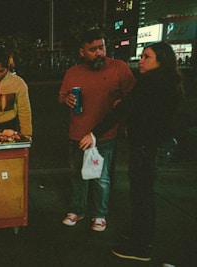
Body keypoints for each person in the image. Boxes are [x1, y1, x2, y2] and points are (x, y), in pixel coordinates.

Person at [80, 42, 184, 261]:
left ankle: (142, 246)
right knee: (141, 193)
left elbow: (126, 110)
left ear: (160, 61)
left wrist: (94, 133)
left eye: (147, 57)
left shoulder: (151, 83)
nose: (141, 61)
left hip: (150, 146)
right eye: (142, 56)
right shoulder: (165, 82)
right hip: (154, 144)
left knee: (142, 195)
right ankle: (138, 234)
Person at [58, 28, 136, 232]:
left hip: (105, 134)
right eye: (92, 49)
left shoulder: (119, 68)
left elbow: (133, 96)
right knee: (78, 175)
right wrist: (67, 99)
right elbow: (61, 96)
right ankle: (78, 210)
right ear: (81, 52)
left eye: (101, 47)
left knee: (101, 177)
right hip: (77, 133)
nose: (99, 53)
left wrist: (121, 101)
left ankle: (100, 215)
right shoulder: (72, 72)